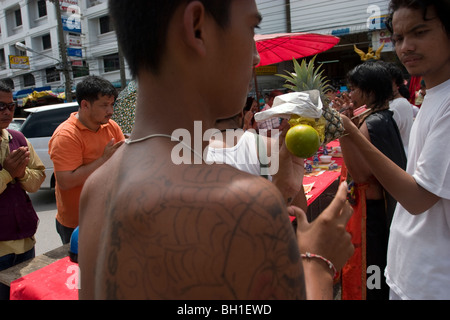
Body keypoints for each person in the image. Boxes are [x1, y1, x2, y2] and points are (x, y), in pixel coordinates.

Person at [78, 0, 354, 300]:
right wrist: (318, 262)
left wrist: (282, 190)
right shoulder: (241, 202)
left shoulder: (96, 186)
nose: (256, 57)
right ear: (197, 28)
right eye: (252, 28)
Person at [340, 0, 450, 299]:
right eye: (399, 38)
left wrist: (351, 132)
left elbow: (417, 199)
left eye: (420, 32)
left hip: (430, 282)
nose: (406, 47)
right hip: (410, 272)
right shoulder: (434, 96)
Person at [337, 61, 407, 300]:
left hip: (373, 216)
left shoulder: (375, 122)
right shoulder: (379, 118)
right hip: (375, 212)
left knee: (371, 273)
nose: (351, 94)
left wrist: (343, 131)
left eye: (355, 89)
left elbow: (361, 175)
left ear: (371, 90)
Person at [48, 75, 125, 244]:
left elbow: (122, 162)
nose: (110, 111)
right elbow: (66, 181)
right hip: (77, 224)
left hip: (108, 215)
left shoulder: (111, 126)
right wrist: (104, 159)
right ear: (85, 105)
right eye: (104, 105)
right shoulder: (66, 135)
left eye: (112, 104)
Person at [0, 81, 45, 300]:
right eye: (1, 106)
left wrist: (21, 174)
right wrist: (8, 173)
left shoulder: (17, 138)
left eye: (11, 106)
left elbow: (37, 181)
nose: (8, 112)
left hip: (25, 242)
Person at [384, 61, 414, 155]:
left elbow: (383, 136)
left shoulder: (397, 105)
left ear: (394, 82)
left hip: (398, 156)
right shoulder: (395, 103)